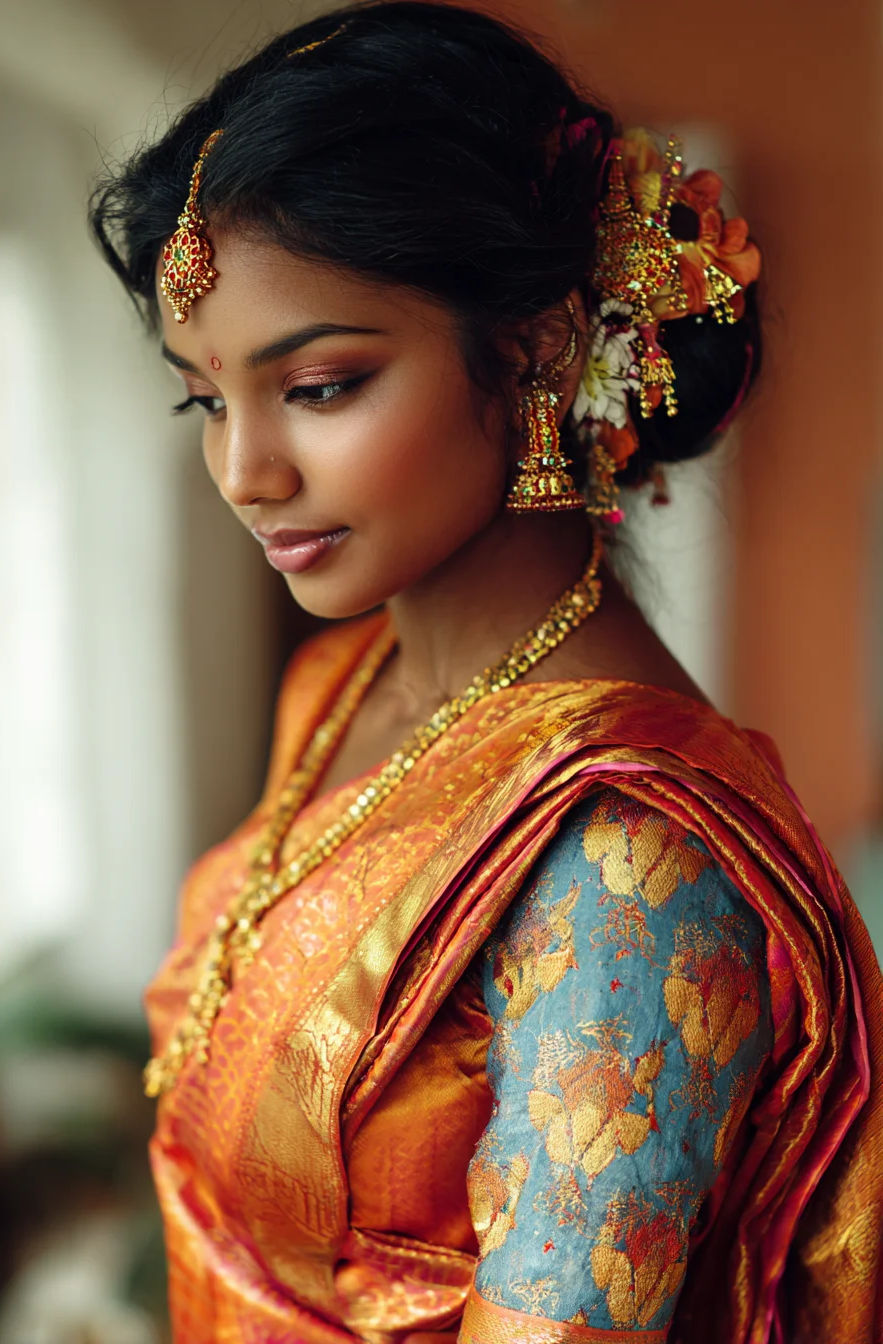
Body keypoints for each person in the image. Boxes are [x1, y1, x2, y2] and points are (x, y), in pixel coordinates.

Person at [89, 5, 882, 1341]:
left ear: (539, 346)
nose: (245, 472)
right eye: (206, 399)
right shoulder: (344, 684)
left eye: (323, 385)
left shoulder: (630, 861)